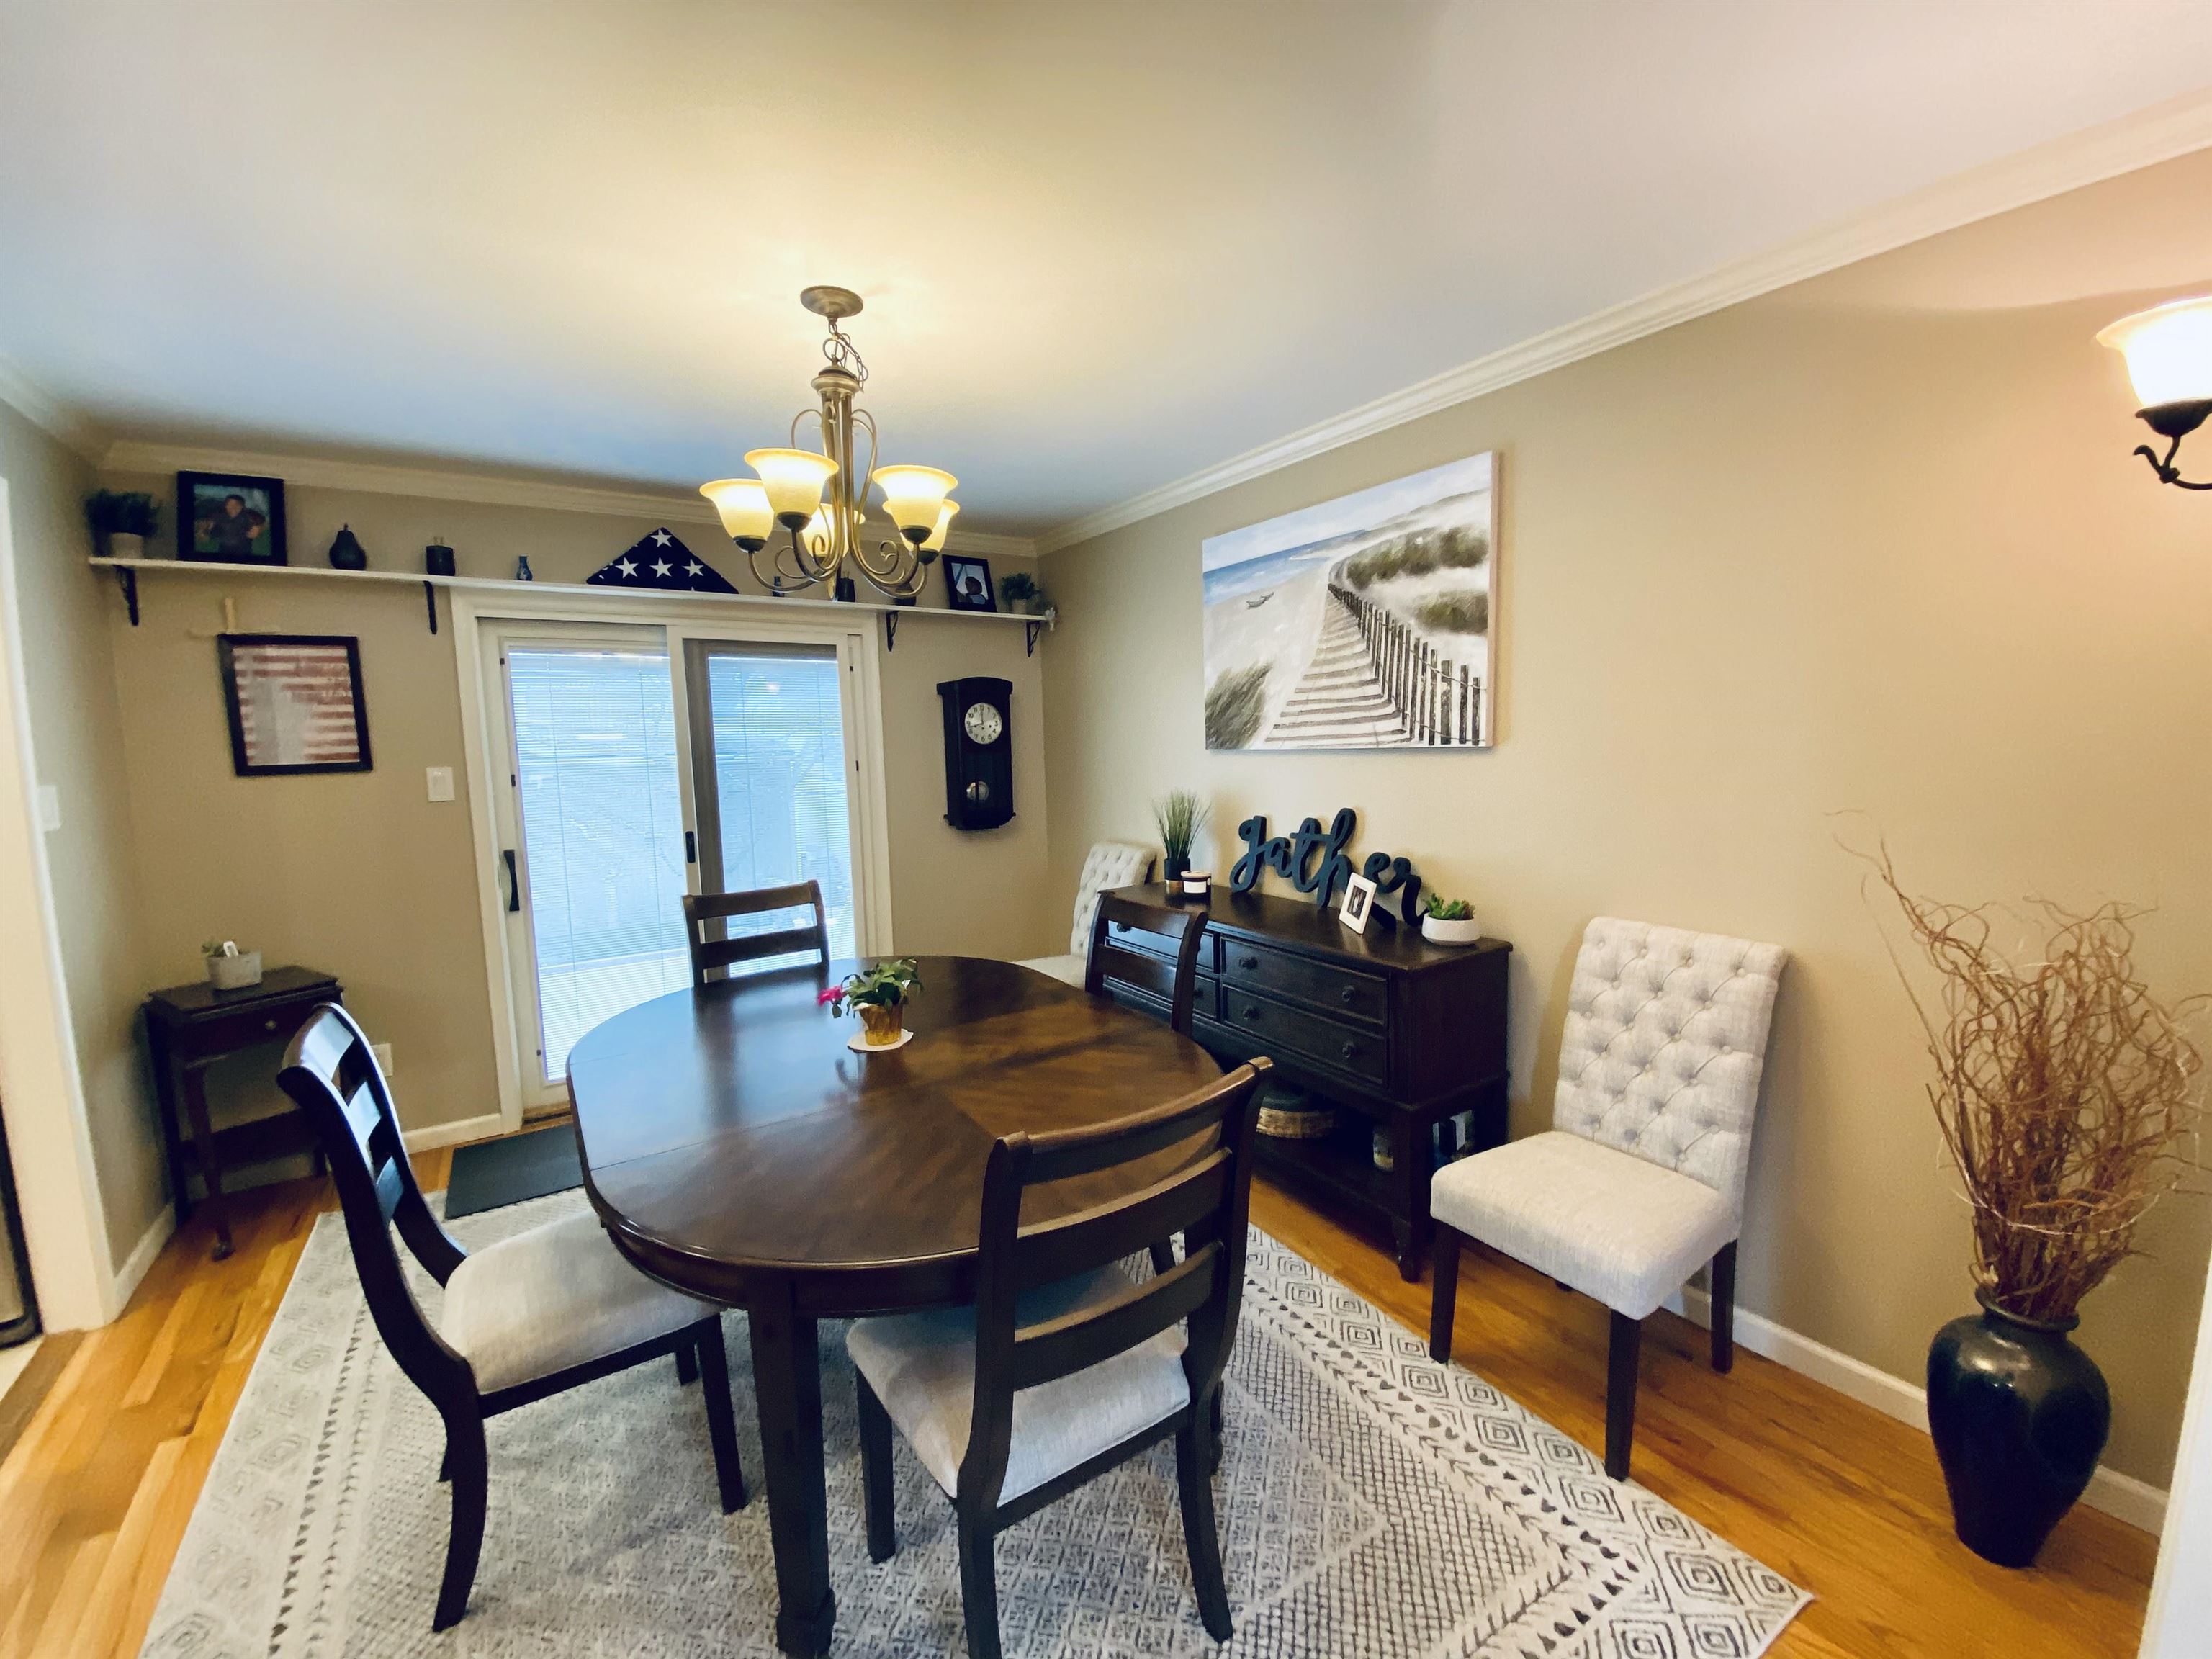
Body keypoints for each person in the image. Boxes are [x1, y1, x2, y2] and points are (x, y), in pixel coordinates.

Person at [198, 492, 266, 558]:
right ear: (226, 506)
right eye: (229, 504)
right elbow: (207, 524)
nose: (233, 507)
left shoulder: (249, 515)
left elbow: (263, 523)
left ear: (242, 506)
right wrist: (204, 531)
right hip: (224, 549)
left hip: (244, 550)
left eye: (237, 505)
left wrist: (259, 529)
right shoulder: (220, 515)